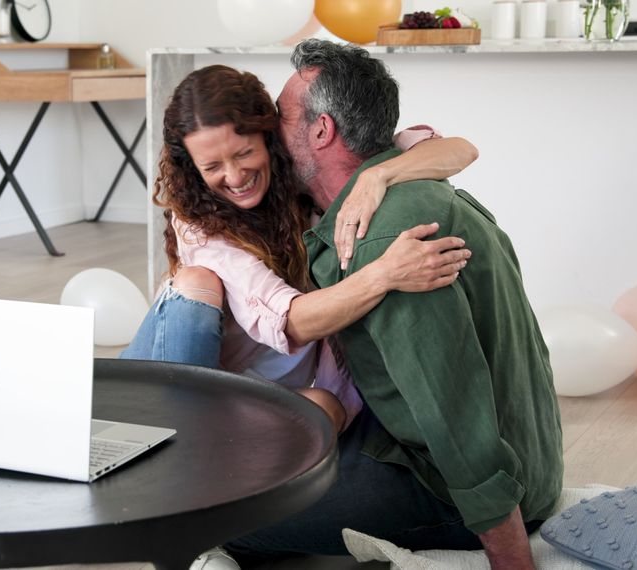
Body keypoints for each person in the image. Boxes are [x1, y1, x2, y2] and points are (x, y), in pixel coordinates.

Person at [222, 40, 564, 569]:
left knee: (222, 511)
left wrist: (512, 557)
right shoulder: (414, 179)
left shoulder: (385, 239)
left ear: (321, 130)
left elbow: (452, 410)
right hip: (522, 455)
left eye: (282, 118)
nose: (270, 133)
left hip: (457, 488)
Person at [119, 64, 477, 433]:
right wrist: (385, 274)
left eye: (243, 153)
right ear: (193, 168)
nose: (235, 176)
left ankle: (215, 444)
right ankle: (172, 436)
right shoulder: (201, 228)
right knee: (197, 282)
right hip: (182, 384)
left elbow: (460, 150)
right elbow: (290, 322)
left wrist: (378, 175)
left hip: (248, 397)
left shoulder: (295, 171)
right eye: (212, 166)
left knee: (326, 406)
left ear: (265, 137)